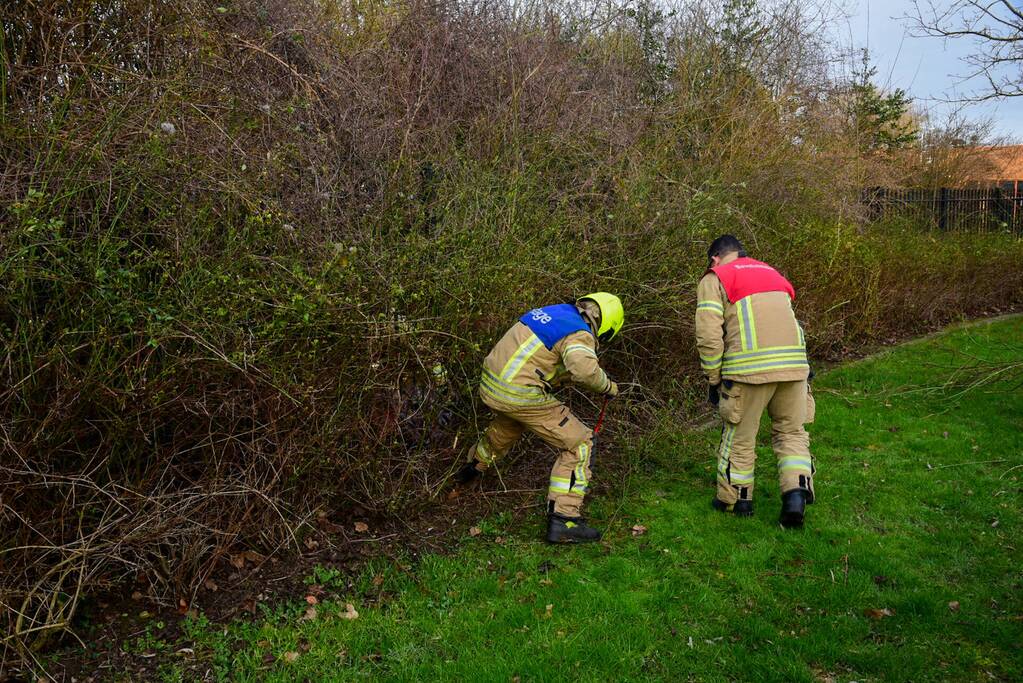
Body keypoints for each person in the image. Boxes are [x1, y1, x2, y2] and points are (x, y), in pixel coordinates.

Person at [454, 294, 624, 543]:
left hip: (492, 384)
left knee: (507, 428)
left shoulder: (556, 313)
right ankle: (565, 520)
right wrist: (608, 387)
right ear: (608, 324)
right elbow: (584, 370)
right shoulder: (579, 332)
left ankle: (470, 471)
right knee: (580, 444)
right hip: (519, 393)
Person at [694, 235, 816, 528]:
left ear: (715, 258)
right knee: (792, 433)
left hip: (747, 373)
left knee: (739, 437)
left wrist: (714, 379)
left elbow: (709, 336)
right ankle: (795, 495)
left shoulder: (715, 278)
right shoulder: (772, 273)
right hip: (794, 368)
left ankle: (737, 501)